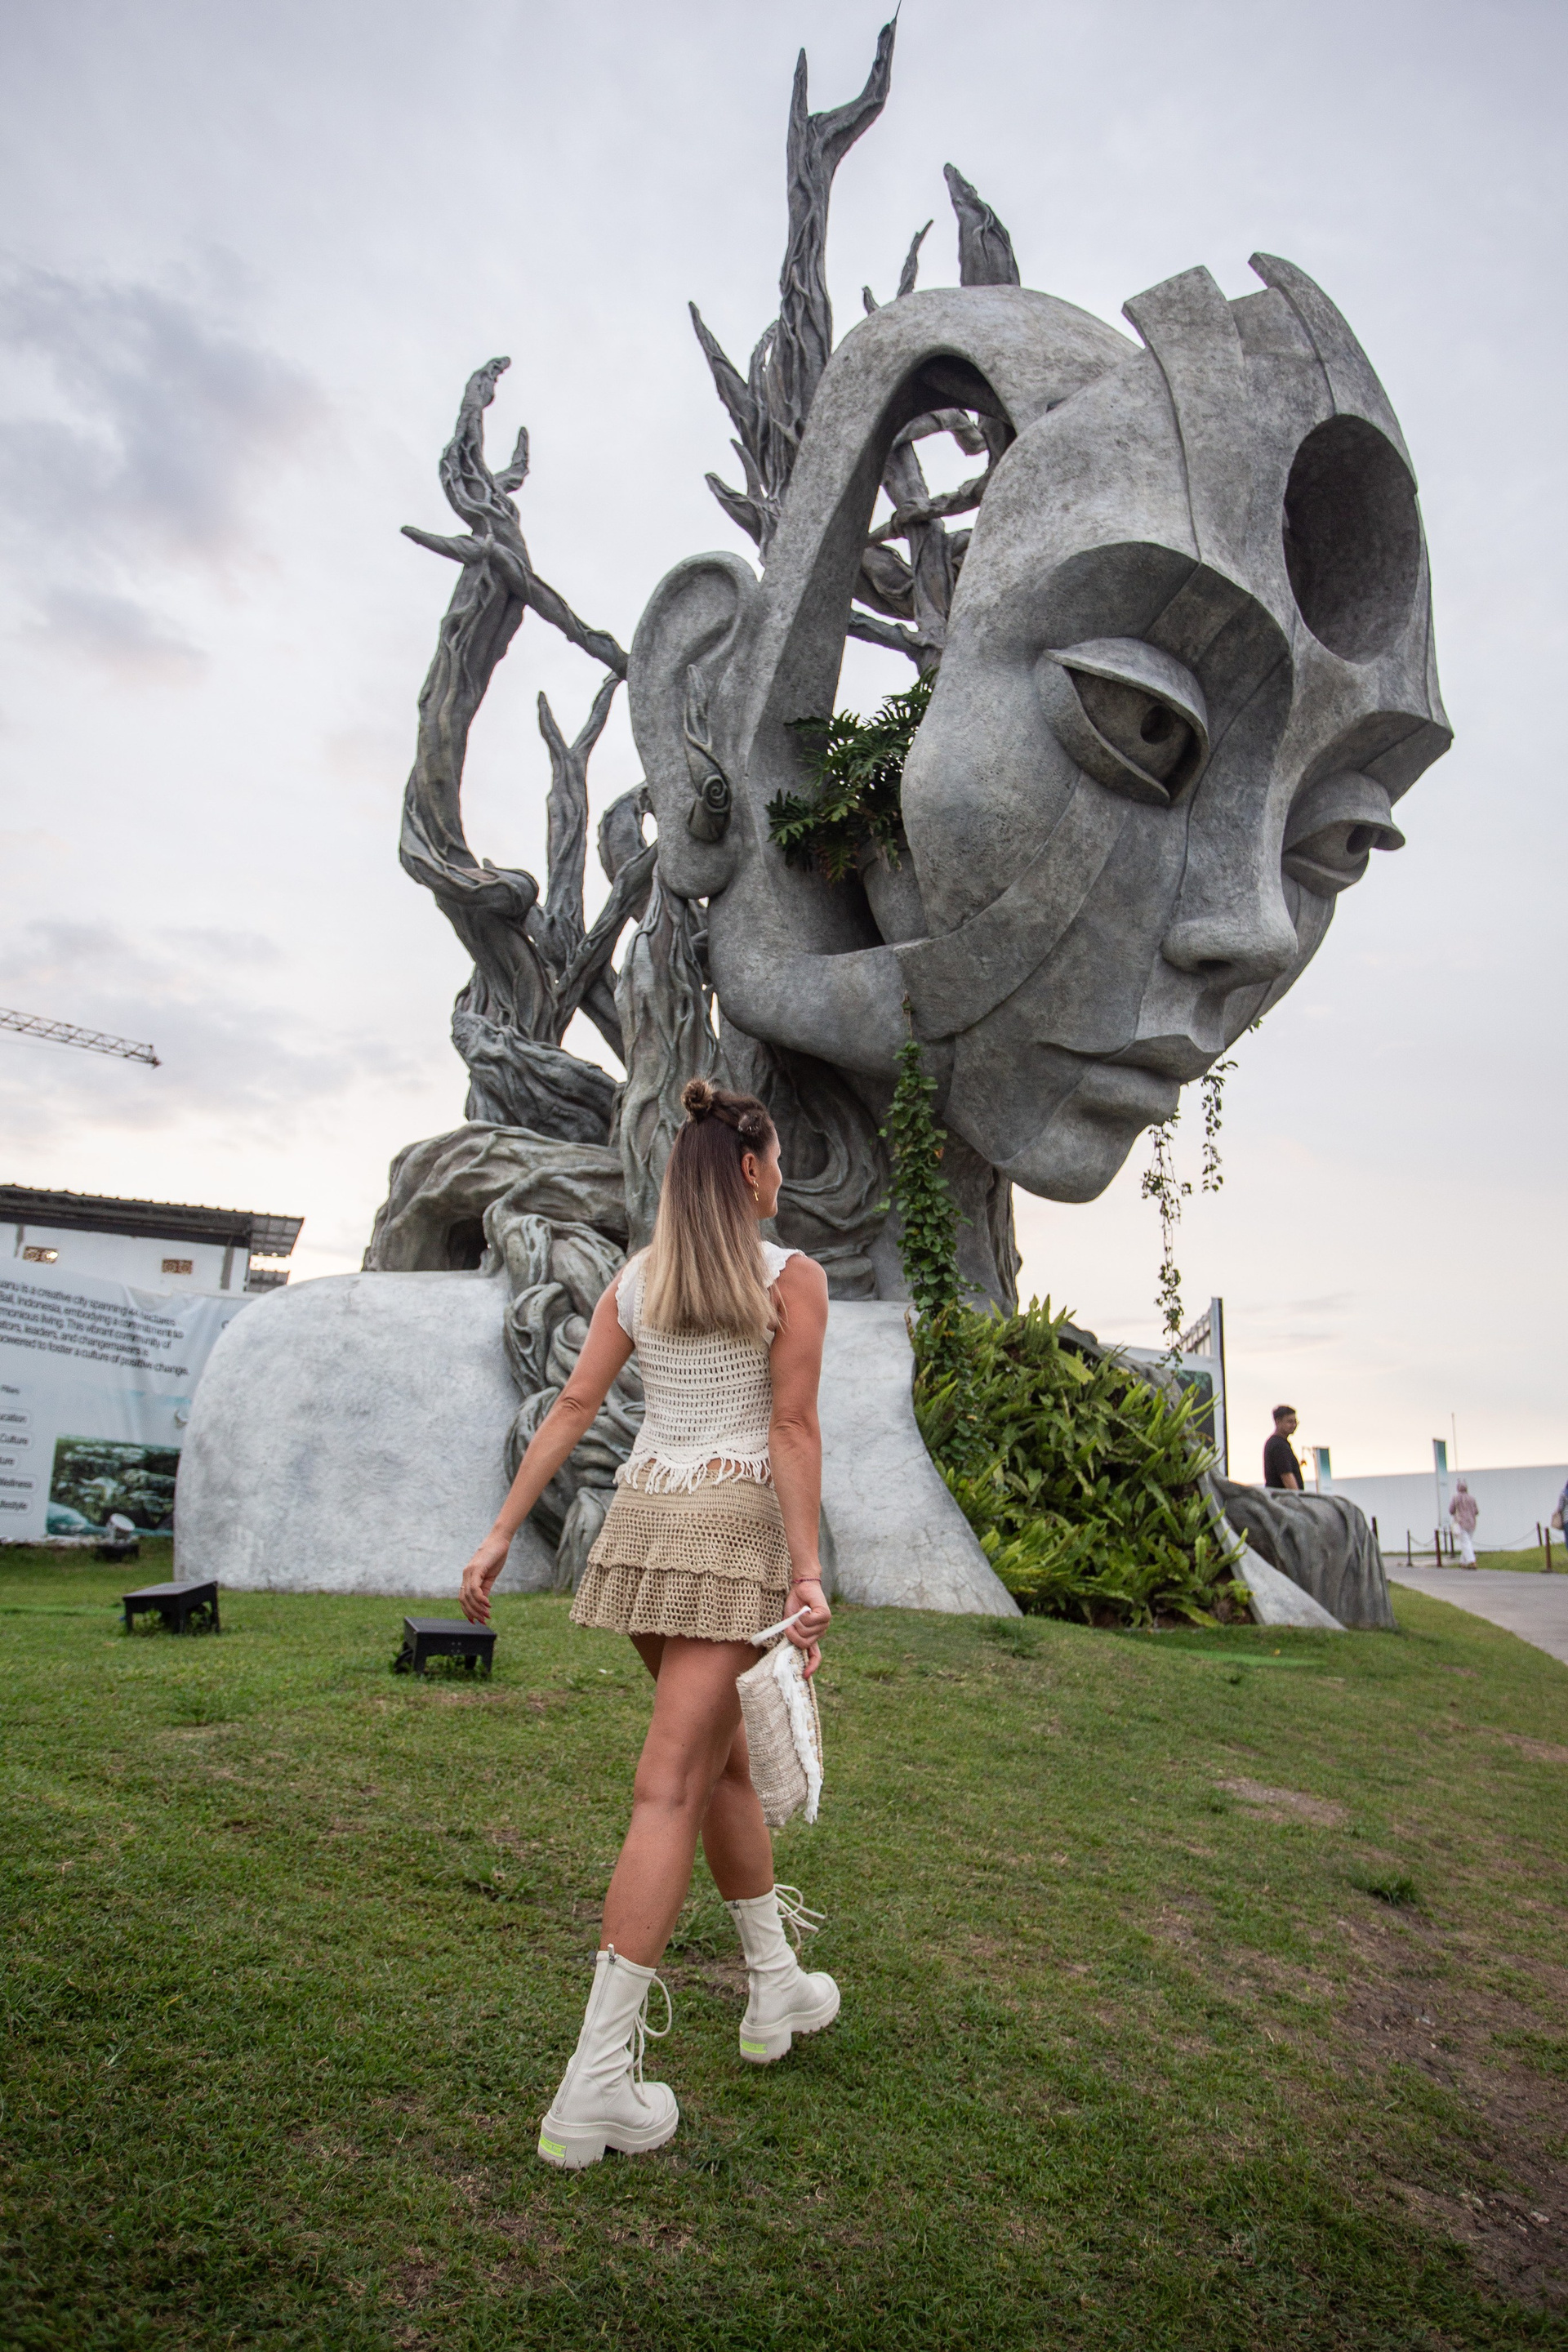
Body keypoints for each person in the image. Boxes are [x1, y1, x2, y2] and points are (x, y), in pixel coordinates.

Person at [458, 1078, 838, 2171]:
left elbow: (575, 1408)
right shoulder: (791, 1278)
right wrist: (807, 1572)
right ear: (752, 1171)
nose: (781, 1177)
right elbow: (791, 1426)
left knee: (718, 1768)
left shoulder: (637, 1279)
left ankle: (775, 1986)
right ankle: (595, 2087)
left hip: (642, 1530)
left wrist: (500, 1533)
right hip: (727, 1538)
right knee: (671, 1785)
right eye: (776, 1162)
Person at [1263, 1405, 1303, 1490]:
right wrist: (1297, 1496)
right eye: (1290, 1422)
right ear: (1278, 1422)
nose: (1294, 1425)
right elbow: (1287, 1476)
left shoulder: (1278, 1443)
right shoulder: (1279, 1446)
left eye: (1295, 1422)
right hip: (1283, 1497)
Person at [1448, 1477, 1479, 1567]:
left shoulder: (1455, 1498)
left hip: (1460, 1523)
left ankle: (1472, 1561)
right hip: (1472, 1523)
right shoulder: (1472, 1498)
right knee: (1468, 1542)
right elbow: (1476, 1511)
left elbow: (1451, 1510)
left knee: (1465, 1543)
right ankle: (1463, 1562)